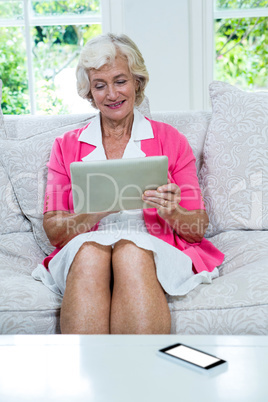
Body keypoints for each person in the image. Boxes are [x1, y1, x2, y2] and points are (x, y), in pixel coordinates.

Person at [32, 33, 224, 335]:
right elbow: (55, 232)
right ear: (89, 93)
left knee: (130, 250)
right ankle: (87, 380)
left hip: (152, 244)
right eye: (100, 85)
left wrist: (173, 211)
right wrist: (92, 212)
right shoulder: (66, 146)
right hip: (88, 246)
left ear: (137, 82)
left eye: (120, 81)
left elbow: (197, 228)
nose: (111, 94)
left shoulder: (171, 140)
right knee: (91, 251)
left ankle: (141, 377)